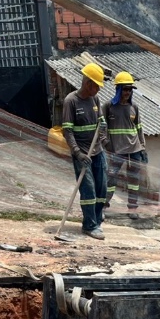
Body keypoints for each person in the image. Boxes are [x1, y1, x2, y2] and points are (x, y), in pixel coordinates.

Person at [61, 62, 108, 240]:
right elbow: (68, 130)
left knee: (102, 188)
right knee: (89, 191)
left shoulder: (95, 100)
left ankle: (97, 219)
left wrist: (103, 135)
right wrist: (77, 153)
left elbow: (101, 122)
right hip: (82, 154)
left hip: (97, 151)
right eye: (96, 85)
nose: (98, 90)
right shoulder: (71, 101)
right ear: (88, 83)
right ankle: (89, 225)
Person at [102, 71, 146, 218]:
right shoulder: (108, 107)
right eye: (125, 89)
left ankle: (132, 209)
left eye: (129, 89)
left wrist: (143, 148)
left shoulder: (134, 107)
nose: (127, 92)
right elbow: (101, 127)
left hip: (134, 149)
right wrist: (105, 142)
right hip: (116, 150)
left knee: (134, 180)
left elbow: (139, 128)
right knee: (111, 178)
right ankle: (103, 206)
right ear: (118, 89)